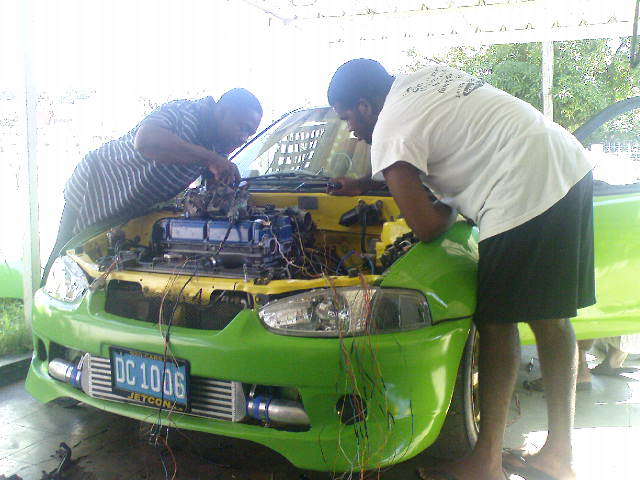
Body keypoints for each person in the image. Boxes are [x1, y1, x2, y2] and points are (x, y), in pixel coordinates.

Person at [327, 59, 595, 480]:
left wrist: (452, 204)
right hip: (566, 164)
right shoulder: (420, 78)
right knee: (552, 318)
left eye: (347, 118)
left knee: (495, 324)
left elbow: (429, 227)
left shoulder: (389, 129)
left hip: (519, 186)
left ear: (364, 106)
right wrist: (368, 183)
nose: (350, 131)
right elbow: (443, 139)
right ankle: (559, 455)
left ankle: (485, 462)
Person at [43, 88, 262, 283]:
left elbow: (210, 183)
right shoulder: (184, 112)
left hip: (134, 205)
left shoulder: (218, 147)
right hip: (99, 185)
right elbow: (146, 141)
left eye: (249, 134)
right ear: (223, 111)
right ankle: (42, 313)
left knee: (108, 263)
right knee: (68, 254)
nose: (243, 137)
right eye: (242, 127)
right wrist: (211, 160)